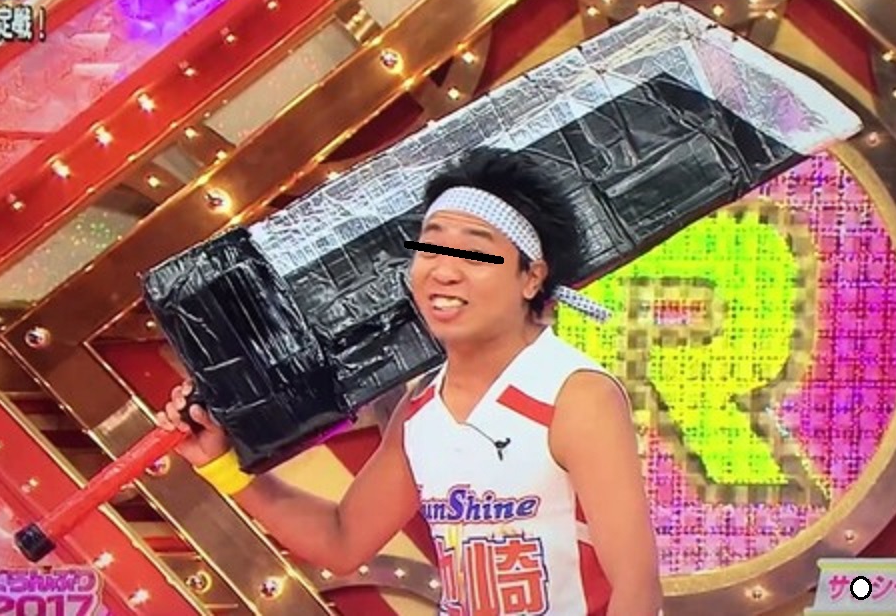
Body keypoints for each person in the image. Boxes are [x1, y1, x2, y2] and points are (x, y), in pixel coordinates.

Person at [156, 147, 662, 615]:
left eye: (475, 254)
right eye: (430, 248)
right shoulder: (422, 409)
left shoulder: (574, 394)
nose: (444, 272)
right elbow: (343, 539)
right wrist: (223, 464)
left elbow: (636, 588)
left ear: (532, 277)